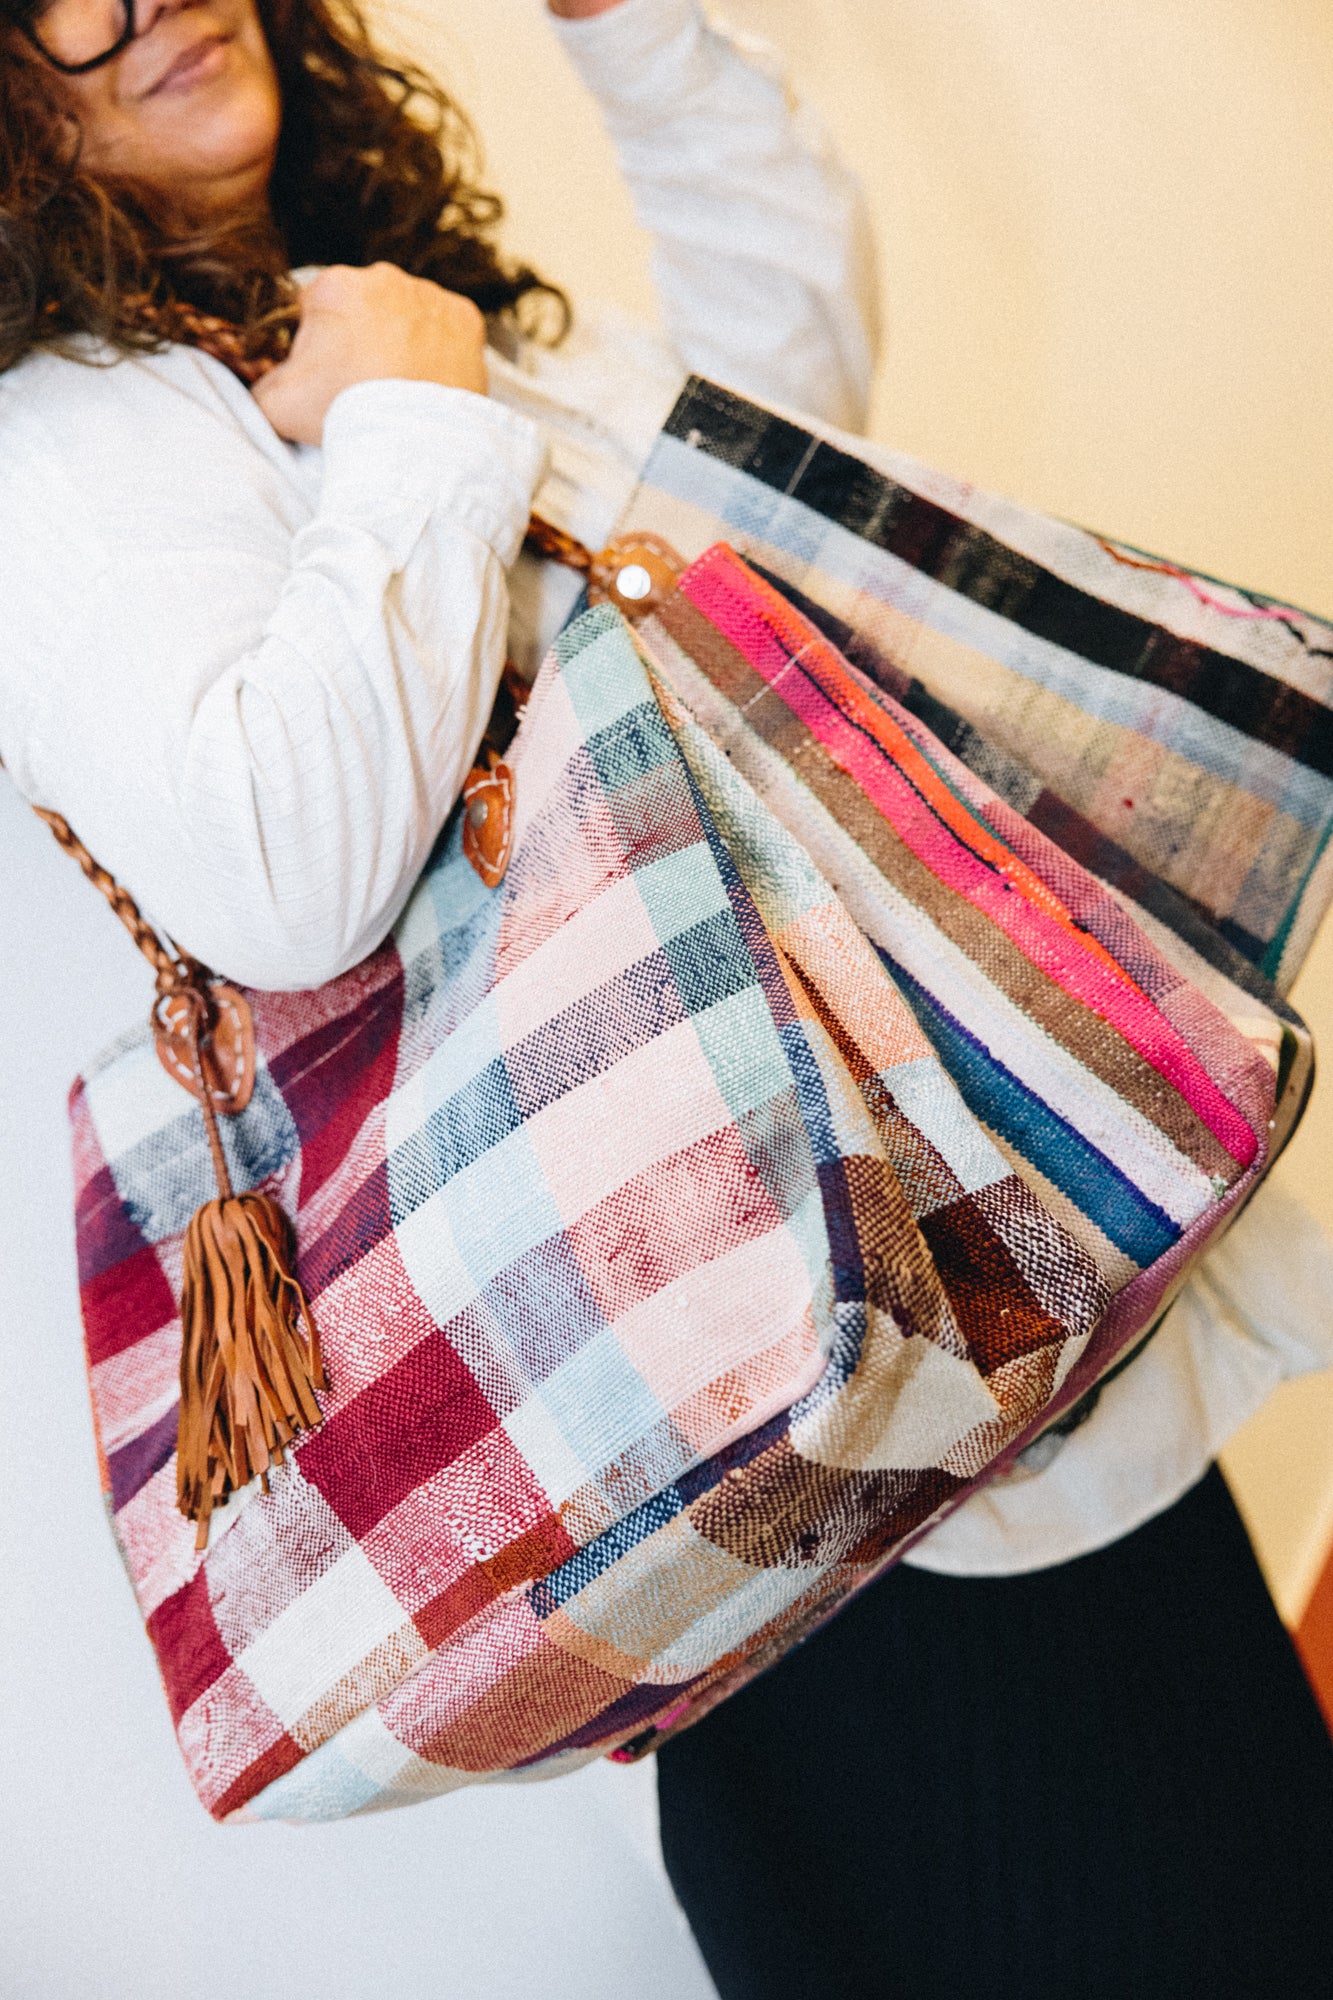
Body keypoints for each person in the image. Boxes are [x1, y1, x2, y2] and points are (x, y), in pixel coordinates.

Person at [0, 1, 1330, 1994]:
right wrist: (418, 418)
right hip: (805, 1423)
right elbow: (278, 875)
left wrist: (624, 57)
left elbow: (778, 422)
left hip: (958, 1354)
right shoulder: (82, 431)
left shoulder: (364, 309)